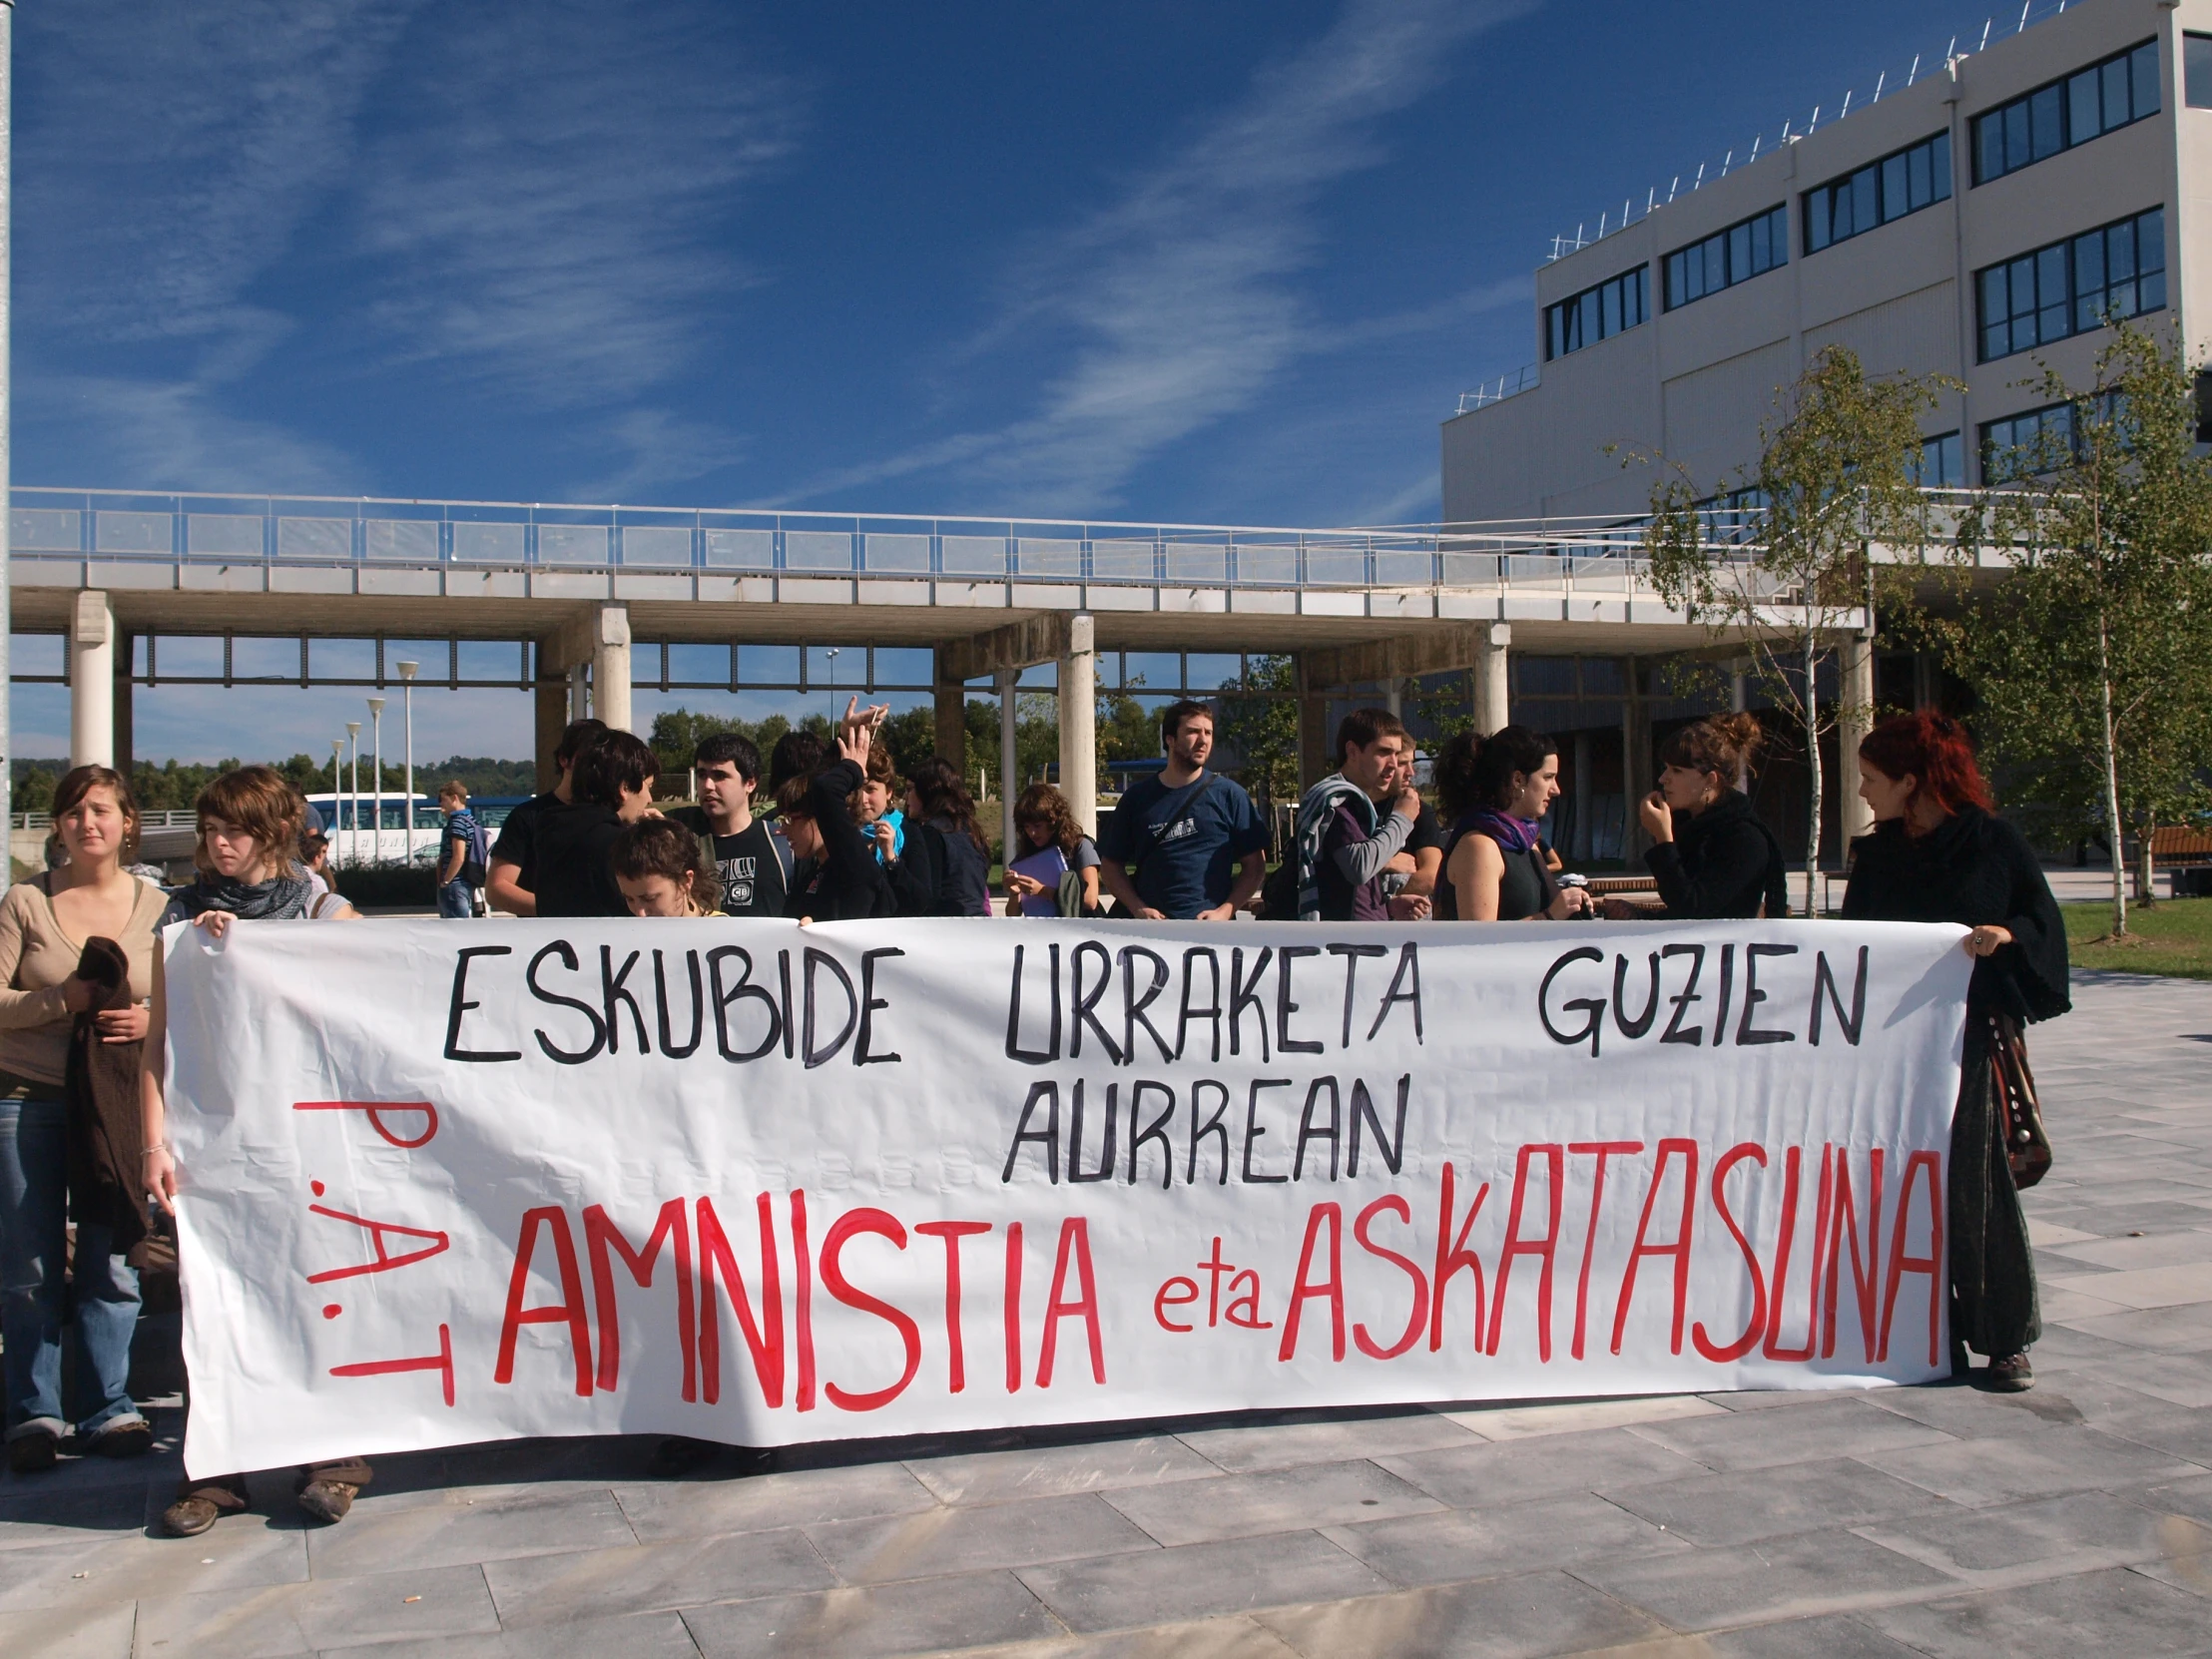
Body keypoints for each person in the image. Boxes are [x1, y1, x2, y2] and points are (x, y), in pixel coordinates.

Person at [142, 768, 367, 1534]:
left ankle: (332, 1460)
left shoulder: (317, 906)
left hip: (304, 1140)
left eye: (231, 829)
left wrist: (265, 951)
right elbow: (157, 1043)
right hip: (215, 1143)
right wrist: (153, 1144)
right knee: (216, 1304)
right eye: (208, 830)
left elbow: (388, 977)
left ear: (272, 831)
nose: (216, 844)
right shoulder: (180, 915)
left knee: (318, 1291)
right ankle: (216, 1471)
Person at [1842, 710, 2069, 1393]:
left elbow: (2042, 924)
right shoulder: (1878, 853)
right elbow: (1851, 942)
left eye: (1873, 779)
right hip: (1890, 1048)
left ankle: (2004, 1339)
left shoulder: (1992, 843)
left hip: (1966, 1041)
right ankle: (1923, 1330)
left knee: (1974, 1182)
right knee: (1897, 1185)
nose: (1864, 792)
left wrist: (2006, 938)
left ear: (1913, 781)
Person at [0, 766, 167, 1473]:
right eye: (73, 812)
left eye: (101, 810)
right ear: (58, 826)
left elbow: (194, 1001)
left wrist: (149, 1017)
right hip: (27, 1100)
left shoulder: (160, 907)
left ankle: (110, 1406)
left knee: (110, 1260)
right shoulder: (23, 904)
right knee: (29, 1265)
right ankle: (34, 1411)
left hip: (120, 1110)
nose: (87, 822)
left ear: (129, 822)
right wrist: (58, 1001)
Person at [1097, 701, 1269, 920]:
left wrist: (1225, 911)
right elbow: (1111, 866)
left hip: (1213, 935)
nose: (1203, 740)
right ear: (1170, 739)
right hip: (1151, 936)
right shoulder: (1137, 798)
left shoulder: (1231, 795)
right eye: (1193, 732)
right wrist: (1138, 908)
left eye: (1208, 733)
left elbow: (1255, 866)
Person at [1624, 713, 1789, 919]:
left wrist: (1664, 841)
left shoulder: (1744, 838)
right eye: (1665, 768)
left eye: (1677, 771)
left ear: (1710, 780)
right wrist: (1636, 916)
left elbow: (1693, 909)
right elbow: (1677, 913)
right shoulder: (1689, 826)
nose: (1663, 779)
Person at [1434, 726, 1591, 921]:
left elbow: (1553, 907)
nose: (1556, 789)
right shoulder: (1479, 846)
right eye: (1548, 777)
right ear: (1517, 779)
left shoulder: (1528, 844)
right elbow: (1478, 942)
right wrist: (1550, 916)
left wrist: (1573, 905)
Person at [1290, 710, 1429, 922]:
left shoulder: (1357, 803)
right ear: (1353, 751)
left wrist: (1388, 905)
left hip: (1360, 940)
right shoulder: (1336, 801)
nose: (1393, 764)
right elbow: (1360, 867)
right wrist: (1402, 818)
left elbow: (1346, 886)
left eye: (1396, 753)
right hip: (1343, 947)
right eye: (1383, 752)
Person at [781, 703, 898, 921]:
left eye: (792, 819)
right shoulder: (814, 874)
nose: (783, 829)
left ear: (823, 815)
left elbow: (824, 790)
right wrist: (845, 739)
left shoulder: (855, 869)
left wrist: (852, 768)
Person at [485, 718, 608, 916]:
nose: (595, 768)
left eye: (602, 761)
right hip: (542, 940)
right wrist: (560, 911)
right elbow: (497, 888)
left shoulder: (612, 816)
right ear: (564, 759)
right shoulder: (527, 816)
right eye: (588, 759)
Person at [531, 732, 659, 919]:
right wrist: (662, 842)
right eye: (648, 787)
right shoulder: (619, 846)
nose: (649, 799)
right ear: (624, 788)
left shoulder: (549, 831)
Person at [667, 733, 791, 917]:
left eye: (719, 776)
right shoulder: (677, 841)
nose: (707, 785)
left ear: (750, 783)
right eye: (702, 775)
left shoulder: (783, 843)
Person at [892, 757, 993, 917]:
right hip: (976, 923)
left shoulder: (931, 834)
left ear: (928, 791)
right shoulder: (970, 830)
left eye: (910, 789)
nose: (905, 796)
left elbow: (927, 897)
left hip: (947, 928)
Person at [1005, 784, 1102, 916]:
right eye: (1026, 827)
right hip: (1042, 932)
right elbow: (1012, 915)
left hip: (1080, 932)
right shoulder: (1026, 856)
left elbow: (1090, 900)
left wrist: (1042, 891)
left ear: (1054, 820)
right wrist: (1014, 893)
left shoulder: (1080, 847)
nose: (1032, 833)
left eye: (1037, 826)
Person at [611, 819, 724, 917]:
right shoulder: (631, 936)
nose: (640, 913)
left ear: (685, 881)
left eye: (650, 898)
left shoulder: (722, 933)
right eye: (630, 899)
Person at [435, 782, 487, 919]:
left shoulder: (457, 822)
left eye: (444, 801)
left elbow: (458, 856)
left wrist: (446, 881)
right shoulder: (470, 820)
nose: (441, 806)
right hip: (466, 882)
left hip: (455, 884)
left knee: (454, 926)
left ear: (454, 798)